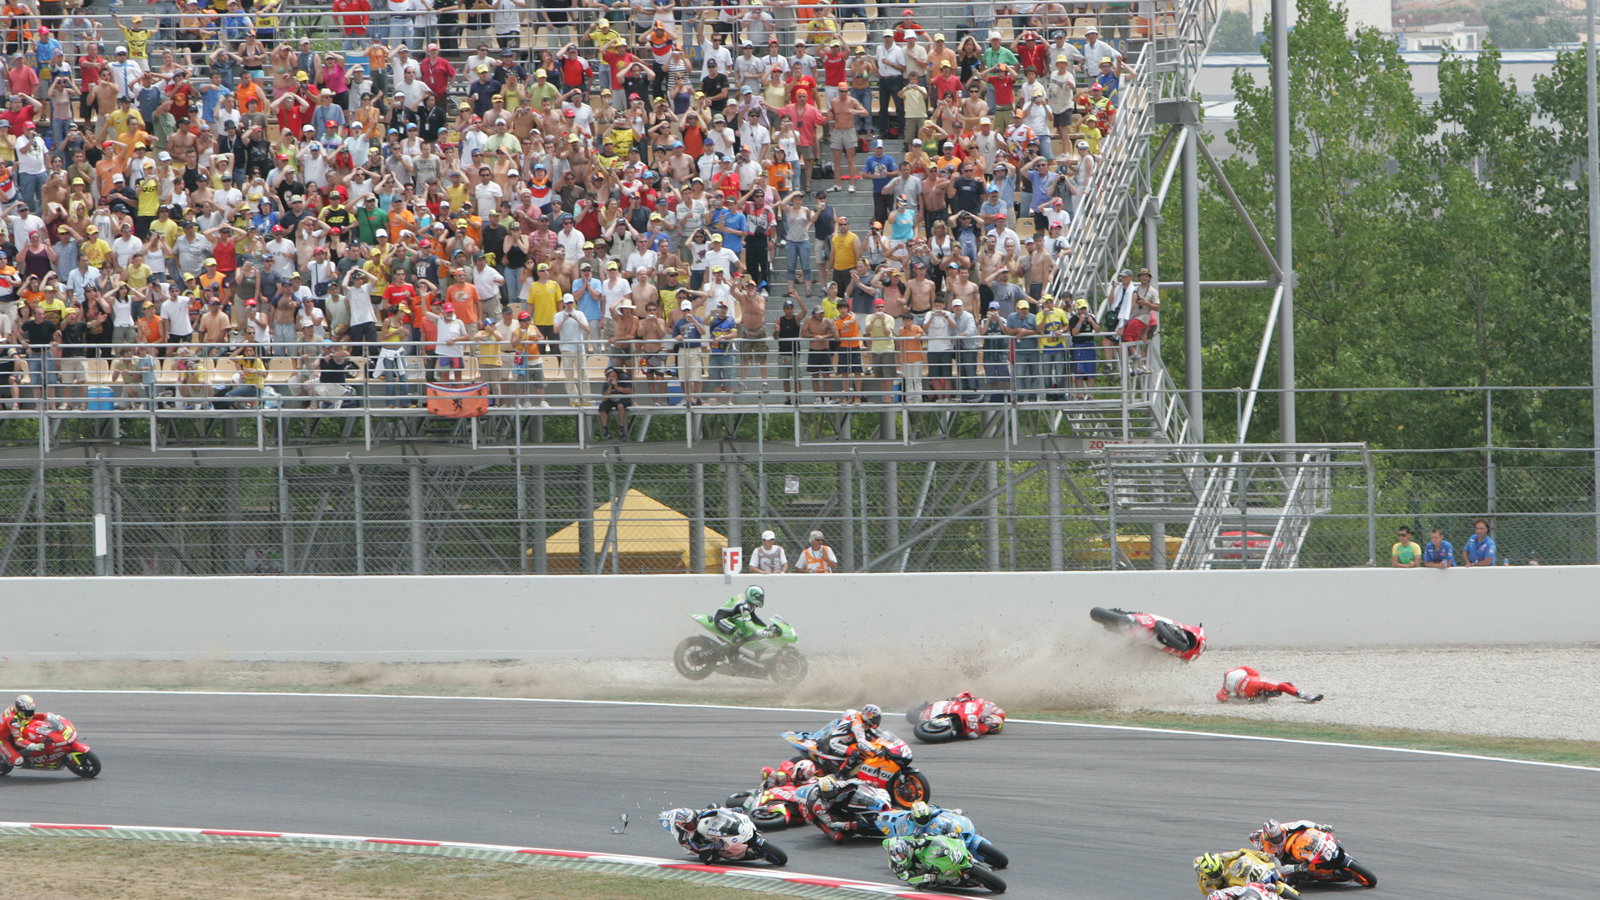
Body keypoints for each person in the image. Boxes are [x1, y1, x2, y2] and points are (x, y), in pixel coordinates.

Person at [810, 774, 887, 843]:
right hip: (822, 815)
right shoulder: (818, 806)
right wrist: (848, 825)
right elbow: (830, 823)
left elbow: (852, 781)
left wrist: (869, 783)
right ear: (820, 792)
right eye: (826, 794)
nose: (829, 795)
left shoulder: (837, 786)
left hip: (837, 803)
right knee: (838, 837)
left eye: (831, 792)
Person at [710, 584, 774, 654]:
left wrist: (766, 626)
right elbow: (747, 623)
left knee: (744, 630)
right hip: (721, 619)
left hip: (730, 619)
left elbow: (753, 618)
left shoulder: (748, 602)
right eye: (758, 598)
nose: (760, 600)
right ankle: (726, 652)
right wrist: (758, 631)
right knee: (739, 632)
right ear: (752, 595)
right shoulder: (744, 605)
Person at [1216, 666, 1322, 704]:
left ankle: (1264, 695)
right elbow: (1256, 674)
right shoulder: (1240, 669)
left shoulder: (1225, 687)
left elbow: (1220, 697)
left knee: (1255, 696)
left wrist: (1235, 699)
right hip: (1253, 682)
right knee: (1282, 685)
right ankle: (1307, 696)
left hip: (1244, 694)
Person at [1, 694, 49, 767]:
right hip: (2, 739)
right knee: (18, 761)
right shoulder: (13, 721)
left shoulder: (15, 710)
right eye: (29, 712)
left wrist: (47, 716)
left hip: (8, 732)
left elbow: (33, 716)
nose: (31, 714)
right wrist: (33, 746)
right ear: (21, 710)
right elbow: (18, 740)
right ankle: (8, 759)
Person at [596, 365, 632, 440]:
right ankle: (605, 428)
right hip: (611, 399)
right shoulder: (606, 382)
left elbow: (629, 391)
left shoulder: (623, 378)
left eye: (615, 375)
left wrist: (617, 387)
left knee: (620, 405)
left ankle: (621, 428)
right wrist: (610, 386)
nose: (614, 377)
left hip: (623, 398)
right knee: (602, 406)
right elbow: (604, 398)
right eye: (612, 376)